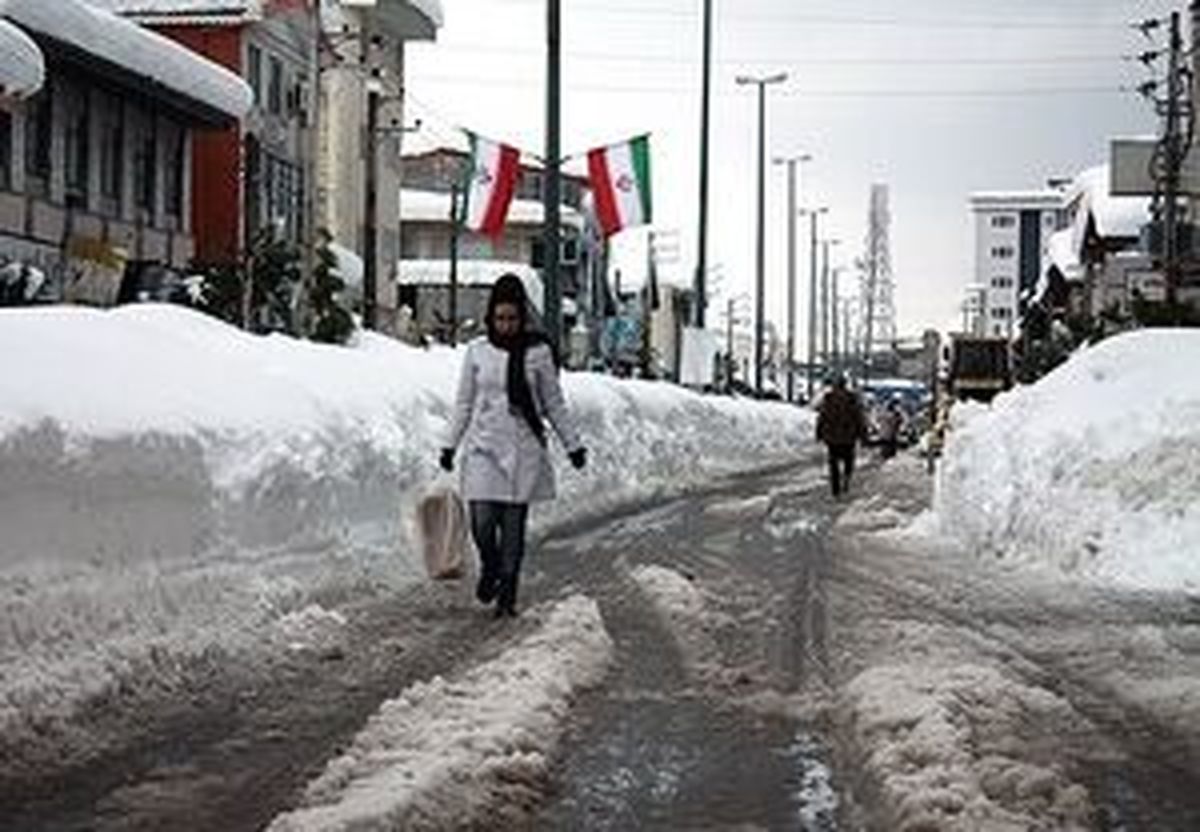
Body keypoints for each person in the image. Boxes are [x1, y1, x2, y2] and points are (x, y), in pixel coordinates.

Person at [440, 274, 587, 618]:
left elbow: (553, 404)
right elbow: (464, 403)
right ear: (491, 316)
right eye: (500, 318)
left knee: (513, 527)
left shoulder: (538, 353)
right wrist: (450, 444)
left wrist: (573, 445)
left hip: (523, 448)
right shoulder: (477, 352)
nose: (506, 325)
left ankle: (507, 591)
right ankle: (490, 566)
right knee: (481, 520)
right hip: (483, 447)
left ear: (522, 317)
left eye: (512, 319)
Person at [815, 373, 866, 497]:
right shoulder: (852, 398)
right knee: (849, 460)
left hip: (832, 437)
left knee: (833, 463)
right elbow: (858, 417)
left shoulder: (828, 398)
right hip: (849, 437)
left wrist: (819, 432)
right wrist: (862, 434)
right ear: (845, 384)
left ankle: (835, 489)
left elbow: (822, 417)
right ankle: (846, 479)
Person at [879, 395, 907, 460]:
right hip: (889, 433)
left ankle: (887, 455)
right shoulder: (892, 412)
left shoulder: (894, 412)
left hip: (889, 433)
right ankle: (886, 455)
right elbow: (900, 420)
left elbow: (902, 420)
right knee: (888, 444)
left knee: (888, 444)